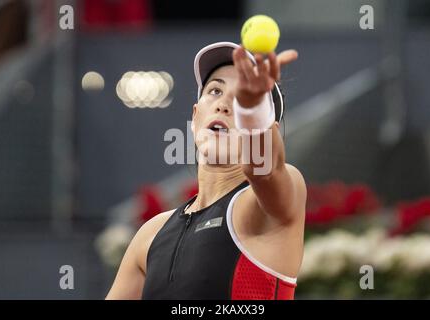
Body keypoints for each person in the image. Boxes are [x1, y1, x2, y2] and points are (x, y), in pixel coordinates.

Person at [106, 41, 306, 300]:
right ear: (195, 116)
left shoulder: (260, 207)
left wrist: (253, 110)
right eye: (215, 91)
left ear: (269, 131)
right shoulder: (151, 233)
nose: (223, 105)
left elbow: (265, 171)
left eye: (241, 100)